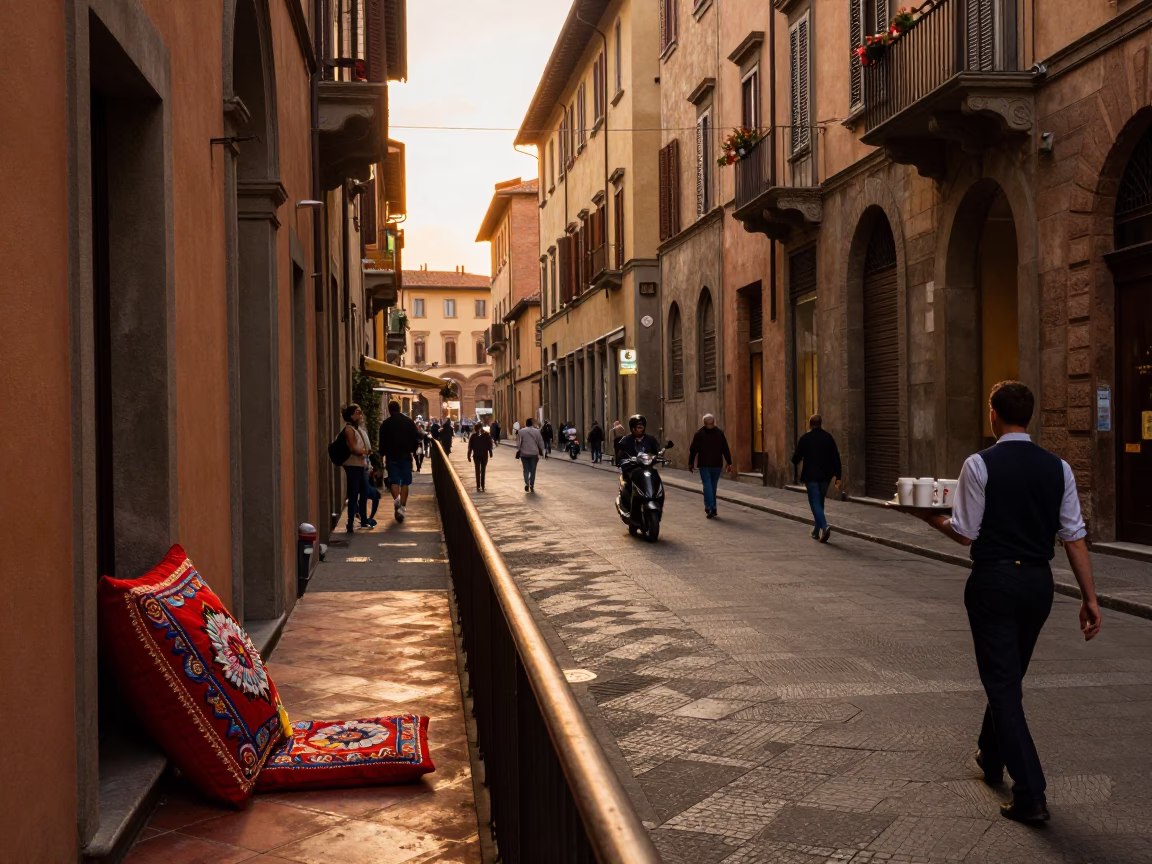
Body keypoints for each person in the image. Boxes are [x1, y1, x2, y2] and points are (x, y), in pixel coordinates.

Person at [918, 381, 1101, 825]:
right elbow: (1074, 537)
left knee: (1003, 683)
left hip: (995, 581)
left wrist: (927, 515)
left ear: (993, 415)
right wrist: (1089, 598)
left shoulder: (979, 464)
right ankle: (990, 755)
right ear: (1030, 416)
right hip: (1039, 584)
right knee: (1009, 674)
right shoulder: (1059, 468)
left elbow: (965, 532)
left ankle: (1030, 793)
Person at [791, 414, 842, 543]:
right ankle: (816, 530)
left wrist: (794, 460)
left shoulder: (805, 438)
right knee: (820, 502)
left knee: (814, 502)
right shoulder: (828, 438)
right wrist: (838, 476)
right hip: (826, 476)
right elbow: (836, 457)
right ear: (820, 423)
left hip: (811, 476)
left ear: (810, 424)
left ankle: (824, 527)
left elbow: (797, 457)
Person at [378, 400, 422, 523]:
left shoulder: (385, 424)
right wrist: (413, 450)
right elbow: (417, 437)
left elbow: (382, 443)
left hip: (391, 456)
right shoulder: (409, 422)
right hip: (405, 456)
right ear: (399, 408)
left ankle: (396, 502)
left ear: (389, 410)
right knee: (405, 483)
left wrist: (382, 455)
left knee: (394, 481)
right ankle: (402, 507)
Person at [688, 414, 736, 519]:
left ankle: (710, 507)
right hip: (717, 465)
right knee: (712, 486)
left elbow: (693, 450)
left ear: (704, 423)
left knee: (707, 485)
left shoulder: (699, 434)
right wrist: (729, 463)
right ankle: (713, 508)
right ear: (714, 422)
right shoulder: (719, 433)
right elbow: (725, 449)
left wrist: (690, 463)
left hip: (705, 464)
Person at [339, 404, 372, 533]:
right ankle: (350, 522)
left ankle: (363, 519)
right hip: (353, 465)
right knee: (353, 493)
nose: (360, 415)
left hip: (361, 465)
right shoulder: (349, 430)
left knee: (363, 492)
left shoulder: (356, 429)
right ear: (352, 415)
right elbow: (353, 448)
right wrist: (365, 452)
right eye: (358, 412)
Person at [515, 418, 547, 492]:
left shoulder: (521, 431)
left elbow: (518, 443)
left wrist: (520, 449)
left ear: (526, 423)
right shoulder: (537, 432)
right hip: (534, 454)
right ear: (532, 423)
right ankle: (532, 484)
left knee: (525, 469)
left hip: (524, 454)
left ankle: (527, 482)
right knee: (533, 470)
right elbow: (541, 442)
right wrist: (543, 451)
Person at [467, 424, 494, 491]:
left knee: (478, 470)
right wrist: (490, 452)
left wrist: (469, 454)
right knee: (482, 470)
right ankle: (482, 486)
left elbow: (470, 446)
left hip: (476, 455)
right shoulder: (486, 435)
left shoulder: (473, 436)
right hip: (483, 455)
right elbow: (489, 445)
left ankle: (479, 486)